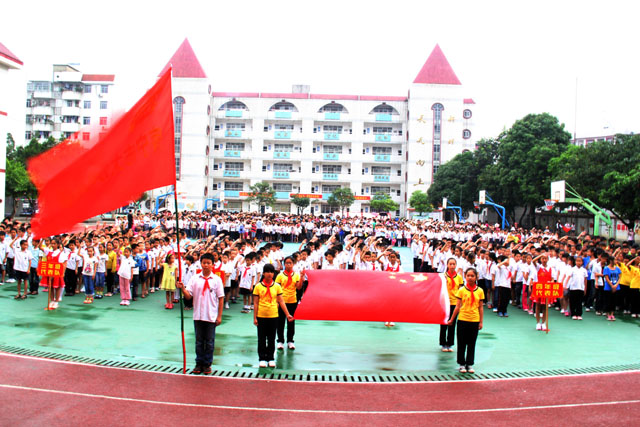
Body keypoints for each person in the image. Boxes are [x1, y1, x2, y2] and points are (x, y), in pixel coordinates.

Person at [176, 253, 224, 375]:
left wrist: (219, 316)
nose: (206, 265)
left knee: (209, 341)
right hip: (198, 315)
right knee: (198, 341)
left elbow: (221, 298)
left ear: (213, 265)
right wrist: (183, 289)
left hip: (211, 315)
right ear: (200, 264)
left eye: (209, 263)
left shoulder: (217, 280)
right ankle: (199, 363)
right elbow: (189, 296)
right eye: (204, 263)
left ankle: (207, 364)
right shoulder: (195, 278)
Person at [253, 264, 293, 368]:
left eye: (271, 272)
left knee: (271, 338)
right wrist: (255, 317)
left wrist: (287, 314)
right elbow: (256, 303)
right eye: (267, 272)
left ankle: (270, 358)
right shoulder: (258, 287)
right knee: (261, 338)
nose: (270, 274)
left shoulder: (277, 286)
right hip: (261, 315)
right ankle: (262, 358)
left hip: (274, 315)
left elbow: (281, 301)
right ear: (263, 273)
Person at [447, 267, 484, 374]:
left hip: (474, 320)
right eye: (468, 276)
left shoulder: (480, 291)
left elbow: (480, 307)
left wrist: (481, 321)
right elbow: (457, 307)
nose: (470, 278)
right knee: (462, 342)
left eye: (472, 276)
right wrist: (452, 319)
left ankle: (470, 363)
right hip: (463, 320)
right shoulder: (461, 290)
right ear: (465, 277)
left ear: (476, 277)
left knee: (472, 343)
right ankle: (461, 363)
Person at [275, 256, 301, 349]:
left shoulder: (296, 275)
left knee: (291, 321)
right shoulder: (280, 276)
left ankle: (290, 340)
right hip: (282, 301)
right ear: (284, 264)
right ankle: (280, 341)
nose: (288, 265)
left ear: (293, 264)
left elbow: (298, 287)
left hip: (292, 301)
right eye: (287, 263)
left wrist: (302, 277)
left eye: (290, 263)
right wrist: (277, 302)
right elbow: (277, 289)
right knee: (280, 321)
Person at [440, 258, 463, 352]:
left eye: (454, 264)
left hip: (455, 303)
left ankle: (450, 343)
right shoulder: (443, 276)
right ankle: (443, 343)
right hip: (445, 302)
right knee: (444, 323)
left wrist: (461, 303)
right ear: (447, 265)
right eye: (450, 264)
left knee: (452, 323)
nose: (452, 266)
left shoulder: (459, 277)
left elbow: (461, 290)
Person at [602, 255, 621, 321]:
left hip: (616, 287)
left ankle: (612, 314)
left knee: (614, 301)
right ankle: (608, 314)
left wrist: (616, 285)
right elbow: (606, 278)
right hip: (608, 287)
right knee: (608, 301)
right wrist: (612, 285)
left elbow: (620, 277)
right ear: (611, 261)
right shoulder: (606, 268)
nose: (615, 261)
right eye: (614, 260)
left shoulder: (617, 268)